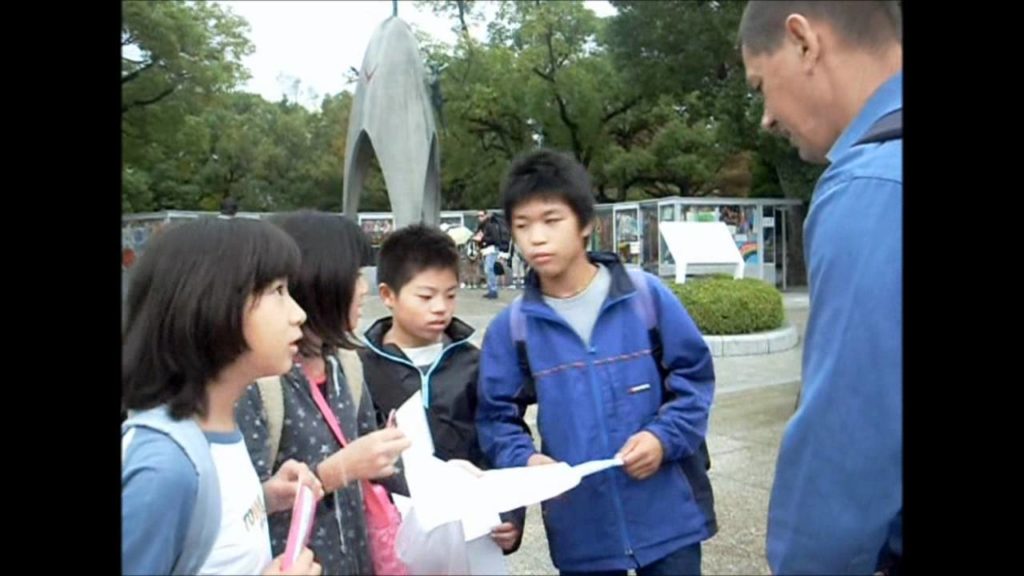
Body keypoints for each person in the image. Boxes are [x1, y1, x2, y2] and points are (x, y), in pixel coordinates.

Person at [475, 149, 717, 575]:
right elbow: (495, 418)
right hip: (582, 533)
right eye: (522, 226)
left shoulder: (645, 297)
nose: (536, 238)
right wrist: (525, 462)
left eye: (551, 221)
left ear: (585, 223)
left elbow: (694, 379)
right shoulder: (512, 328)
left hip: (667, 522)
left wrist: (663, 438)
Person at [738, 2, 903, 573]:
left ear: (804, 41)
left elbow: (848, 449)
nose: (765, 116)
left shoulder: (872, 186)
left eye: (761, 85)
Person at [122, 216, 323, 575]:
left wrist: (264, 498)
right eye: (277, 291)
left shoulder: (216, 426)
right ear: (210, 302)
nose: (299, 313)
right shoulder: (164, 468)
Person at [235, 211, 412, 575]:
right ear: (319, 281)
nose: (364, 288)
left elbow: (375, 458)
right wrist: (337, 471)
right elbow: (238, 511)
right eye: (354, 276)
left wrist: (450, 476)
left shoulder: (346, 363)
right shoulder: (256, 382)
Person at [360, 223, 525, 556]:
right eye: (426, 296)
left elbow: (501, 436)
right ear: (388, 295)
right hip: (394, 535)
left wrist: (511, 514)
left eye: (450, 294)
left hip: (473, 529)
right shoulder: (363, 367)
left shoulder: (474, 363)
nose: (440, 307)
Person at [473, 210, 510, 299]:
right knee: (488, 269)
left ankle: (493, 290)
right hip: (488, 250)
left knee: (490, 269)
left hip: (492, 249)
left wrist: (483, 239)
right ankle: (491, 289)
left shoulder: (490, 225)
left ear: (486, 215)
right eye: (478, 216)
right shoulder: (483, 226)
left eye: (481, 215)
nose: (479, 218)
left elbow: (494, 238)